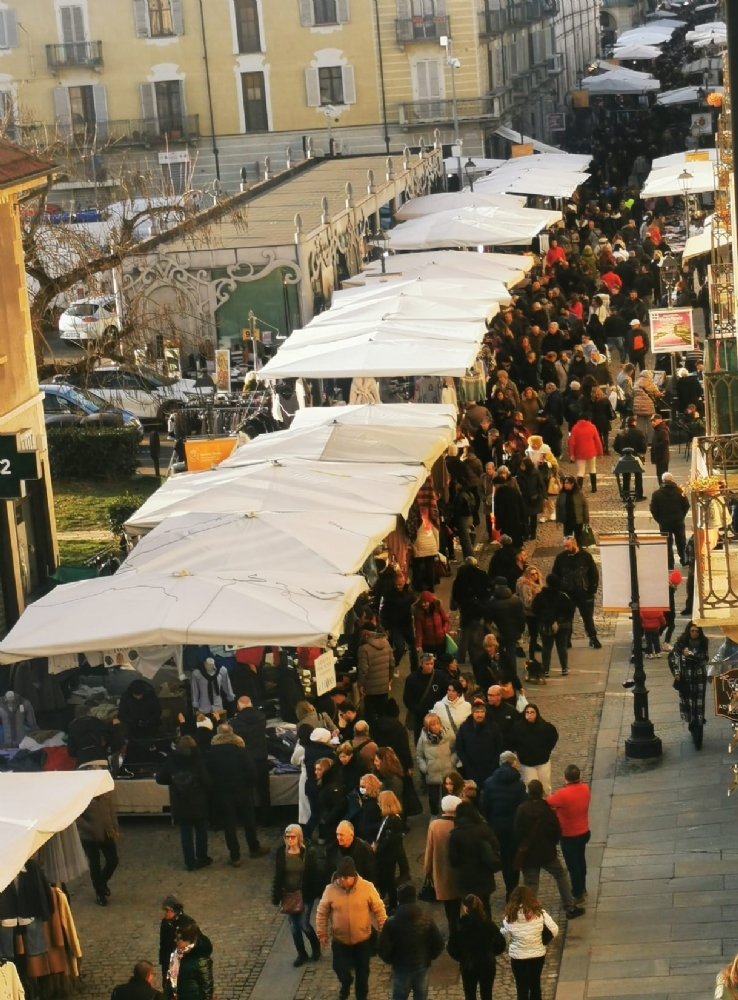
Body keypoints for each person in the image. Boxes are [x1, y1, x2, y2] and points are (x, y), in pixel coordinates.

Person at [316, 856, 387, 1000]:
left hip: (362, 940)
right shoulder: (330, 890)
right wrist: (321, 933)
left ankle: (361, 996)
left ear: (353, 875)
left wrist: (383, 929)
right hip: (340, 940)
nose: (342, 880)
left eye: (346, 877)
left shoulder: (367, 888)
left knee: (362, 972)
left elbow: (379, 909)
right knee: (339, 968)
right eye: (340, 876)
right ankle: (346, 982)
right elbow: (321, 912)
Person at [514, 781, 583, 920]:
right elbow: (557, 831)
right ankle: (569, 906)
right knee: (560, 875)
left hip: (529, 855)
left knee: (531, 884)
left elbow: (517, 832)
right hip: (547, 853)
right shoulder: (547, 810)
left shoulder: (521, 809)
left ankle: (530, 915)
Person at [205, 723, 269, 865]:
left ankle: (235, 856)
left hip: (223, 793)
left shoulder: (212, 752)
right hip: (243, 791)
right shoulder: (241, 750)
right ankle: (254, 847)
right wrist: (249, 786)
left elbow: (209, 773)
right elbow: (252, 772)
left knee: (229, 824)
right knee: (249, 821)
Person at [377, 883, 445, 1000]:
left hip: (401, 968)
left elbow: (382, 947)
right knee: (421, 996)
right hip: (422, 966)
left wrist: (392, 960)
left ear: (400, 900)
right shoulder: (427, 920)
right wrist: (428, 956)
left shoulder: (391, 923)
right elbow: (439, 944)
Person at [156, 736, 213, 872]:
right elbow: (207, 781)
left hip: (179, 801)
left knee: (185, 833)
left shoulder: (172, 760)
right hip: (197, 800)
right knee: (201, 831)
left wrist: (174, 782)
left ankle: (190, 863)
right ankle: (202, 857)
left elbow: (160, 778)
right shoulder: (198, 760)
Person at [272, 824, 322, 966]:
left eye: (292, 837)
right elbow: (278, 875)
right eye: (287, 837)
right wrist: (276, 895)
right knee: (294, 927)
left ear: (298, 837)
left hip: (304, 894)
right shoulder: (281, 854)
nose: (289, 840)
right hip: (288, 895)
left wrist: (316, 891)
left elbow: (315, 873)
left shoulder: (308, 852)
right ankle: (301, 953)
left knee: (304, 924)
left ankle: (315, 947)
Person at [480, 750, 526, 901]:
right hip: (515, 828)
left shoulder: (489, 783)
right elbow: (523, 807)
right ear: (514, 764)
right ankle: (513, 889)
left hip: (497, 828)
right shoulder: (519, 785)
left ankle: (509, 888)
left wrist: (491, 821)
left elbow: (484, 807)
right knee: (514, 859)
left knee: (505, 859)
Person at [501, 886, 559, 1000]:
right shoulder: (540, 913)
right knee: (535, 984)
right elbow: (554, 929)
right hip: (537, 955)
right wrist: (544, 940)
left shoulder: (510, 917)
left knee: (521, 987)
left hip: (518, 957)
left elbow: (506, 938)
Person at [447, 894, 506, 1000]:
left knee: (470, 994)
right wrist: (491, 952)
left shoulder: (460, 925)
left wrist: (461, 957)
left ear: (465, 908)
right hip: (487, 963)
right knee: (487, 994)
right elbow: (501, 943)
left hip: (469, 963)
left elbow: (451, 947)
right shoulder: (488, 924)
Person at [547, 765, 590, 906]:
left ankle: (577, 893)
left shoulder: (562, 794)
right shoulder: (585, 789)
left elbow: (548, 802)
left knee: (573, 866)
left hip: (569, 834)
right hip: (583, 831)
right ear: (579, 777)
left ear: (565, 778)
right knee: (581, 860)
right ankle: (583, 888)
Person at [448, 801, 501, 916]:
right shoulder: (483, 829)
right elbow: (496, 846)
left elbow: (453, 859)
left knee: (470, 906)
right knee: (485, 905)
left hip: (465, 878)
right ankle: (487, 926)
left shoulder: (455, 834)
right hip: (484, 874)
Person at [75, 771, 119, 906]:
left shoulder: (106, 795)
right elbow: (77, 817)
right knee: (95, 864)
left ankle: (102, 881)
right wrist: (89, 828)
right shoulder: (83, 797)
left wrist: (115, 828)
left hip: (106, 832)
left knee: (113, 860)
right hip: (89, 836)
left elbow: (111, 812)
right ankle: (99, 893)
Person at [552, 536, 602, 649]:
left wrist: (592, 590)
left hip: (584, 593)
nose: (565, 548)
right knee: (567, 618)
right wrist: (558, 591)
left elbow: (593, 574)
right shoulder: (560, 558)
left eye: (568, 546)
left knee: (588, 617)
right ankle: (567, 640)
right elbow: (555, 574)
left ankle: (593, 638)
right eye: (564, 546)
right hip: (567, 594)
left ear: (574, 544)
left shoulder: (585, 556)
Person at [423, 794, 463, 932]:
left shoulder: (435, 826)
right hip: (460, 871)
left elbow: (430, 849)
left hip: (441, 871)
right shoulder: (461, 825)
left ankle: (453, 928)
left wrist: (427, 869)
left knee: (449, 905)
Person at [230, 696, 271, 824]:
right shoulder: (261, 718)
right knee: (264, 791)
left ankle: (250, 819)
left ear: (238, 707)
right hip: (261, 757)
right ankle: (267, 819)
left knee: (247, 792)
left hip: (245, 759)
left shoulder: (234, 723)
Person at [670, 623, 709, 749]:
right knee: (687, 702)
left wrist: (690, 655)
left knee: (699, 704)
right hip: (686, 679)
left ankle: (698, 726)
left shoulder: (703, 643)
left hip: (699, 679)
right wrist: (677, 674)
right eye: (692, 631)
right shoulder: (681, 643)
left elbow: (704, 658)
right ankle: (691, 722)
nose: (694, 633)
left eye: (696, 631)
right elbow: (674, 658)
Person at [531, 575, 576, 678]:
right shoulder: (563, 596)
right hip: (562, 625)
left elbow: (535, 609)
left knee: (546, 647)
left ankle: (546, 670)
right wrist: (562, 620)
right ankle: (564, 668)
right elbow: (570, 610)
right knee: (562, 647)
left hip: (545, 625)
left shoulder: (541, 596)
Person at [373, 791, 410, 912]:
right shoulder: (391, 818)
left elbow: (387, 840)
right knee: (388, 879)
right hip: (389, 854)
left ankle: (393, 904)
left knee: (388, 880)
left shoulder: (392, 820)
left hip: (388, 856)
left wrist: (376, 848)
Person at [403, 652, 450, 744]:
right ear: (421, 664)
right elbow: (407, 699)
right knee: (420, 740)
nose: (429, 666)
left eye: (431, 664)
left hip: (437, 715)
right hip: (420, 717)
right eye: (427, 664)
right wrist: (418, 710)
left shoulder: (440, 676)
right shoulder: (412, 679)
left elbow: (445, 694)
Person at [415, 713, 457, 816]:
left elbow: (456, 750)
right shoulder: (423, 739)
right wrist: (425, 769)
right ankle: (434, 816)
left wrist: (451, 762)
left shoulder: (449, 735)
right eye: (433, 725)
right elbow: (419, 756)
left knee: (448, 797)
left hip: (447, 772)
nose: (436, 726)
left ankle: (448, 815)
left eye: (437, 723)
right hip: (432, 773)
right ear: (428, 727)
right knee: (433, 799)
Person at [455, 697, 503, 786]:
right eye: (477, 712)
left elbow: (499, 746)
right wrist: (467, 765)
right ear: (472, 713)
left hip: (490, 769)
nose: (480, 715)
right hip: (471, 770)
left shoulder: (493, 726)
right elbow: (460, 748)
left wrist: (494, 764)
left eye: (482, 712)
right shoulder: (465, 727)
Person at [511, 705, 558, 795]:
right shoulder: (518, 728)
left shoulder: (545, 727)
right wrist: (521, 753)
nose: (530, 715)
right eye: (527, 712)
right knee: (531, 785)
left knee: (545, 785)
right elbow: (513, 741)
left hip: (543, 762)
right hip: (527, 763)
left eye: (532, 712)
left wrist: (547, 750)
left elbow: (553, 737)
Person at [381, 571, 419, 674]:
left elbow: (414, 601)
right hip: (395, 625)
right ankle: (394, 665)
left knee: (414, 649)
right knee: (400, 648)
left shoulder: (409, 591)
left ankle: (415, 671)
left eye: (400, 584)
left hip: (407, 623)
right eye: (396, 584)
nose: (398, 587)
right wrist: (386, 627)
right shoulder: (390, 595)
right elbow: (384, 612)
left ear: (404, 582)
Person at [649, 472, 689, 568]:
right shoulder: (679, 491)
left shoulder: (657, 494)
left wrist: (659, 519)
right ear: (672, 480)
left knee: (667, 543)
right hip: (678, 520)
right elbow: (686, 505)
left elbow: (653, 509)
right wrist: (681, 515)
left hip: (664, 522)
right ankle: (683, 559)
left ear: (663, 481)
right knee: (681, 541)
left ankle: (670, 563)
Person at [357, 625, 394, 727]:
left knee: (370, 717)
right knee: (383, 714)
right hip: (383, 686)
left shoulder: (363, 649)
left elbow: (364, 669)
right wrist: (389, 679)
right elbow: (392, 664)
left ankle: (373, 737)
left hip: (370, 688)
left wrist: (361, 684)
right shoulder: (386, 644)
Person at [326, 820, 377, 884]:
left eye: (341, 835)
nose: (338, 838)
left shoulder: (365, 850)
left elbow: (371, 876)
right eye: (337, 834)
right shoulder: (332, 849)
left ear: (351, 835)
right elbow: (327, 875)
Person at [372, 699, 413, 777]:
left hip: (382, 760)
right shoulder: (400, 728)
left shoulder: (376, 725)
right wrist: (409, 765)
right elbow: (405, 747)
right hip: (399, 761)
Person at [159, 897, 193, 987]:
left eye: (167, 910)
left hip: (182, 961)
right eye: (164, 910)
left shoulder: (187, 922)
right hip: (168, 961)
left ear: (175, 911)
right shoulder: (165, 923)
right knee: (168, 987)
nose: (165, 913)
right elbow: (163, 942)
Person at [315, 757, 347, 844]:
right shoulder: (326, 784)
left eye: (319, 769)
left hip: (332, 825)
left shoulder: (332, 786)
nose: (316, 772)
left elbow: (339, 805)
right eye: (316, 769)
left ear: (326, 770)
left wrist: (327, 818)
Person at [568, 415, 603, 493]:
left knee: (580, 471)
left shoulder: (575, 428)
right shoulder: (592, 427)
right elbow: (597, 440)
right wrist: (600, 452)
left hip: (580, 452)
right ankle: (594, 488)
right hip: (591, 451)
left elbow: (571, 442)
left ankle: (579, 488)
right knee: (592, 468)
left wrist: (571, 454)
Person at [613, 418, 647, 500]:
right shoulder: (639, 433)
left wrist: (622, 452)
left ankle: (626, 495)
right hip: (636, 456)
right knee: (638, 475)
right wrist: (640, 452)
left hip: (624, 457)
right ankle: (639, 495)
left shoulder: (621, 433)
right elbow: (643, 447)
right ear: (634, 423)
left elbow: (615, 446)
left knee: (626, 476)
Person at [516, 566, 543, 664]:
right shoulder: (526, 586)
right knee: (533, 635)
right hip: (530, 614)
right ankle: (531, 657)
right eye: (532, 574)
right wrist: (539, 603)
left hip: (536, 613)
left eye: (536, 573)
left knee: (535, 635)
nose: (535, 576)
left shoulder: (536, 583)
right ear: (527, 575)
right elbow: (527, 602)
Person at [414, 592, 450, 659]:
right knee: (430, 662)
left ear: (430, 602)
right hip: (428, 644)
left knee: (441, 661)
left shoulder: (438, 608)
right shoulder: (419, 613)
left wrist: (444, 630)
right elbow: (419, 630)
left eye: (425, 602)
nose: (423, 604)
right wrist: (419, 644)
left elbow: (446, 621)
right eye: (422, 602)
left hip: (441, 641)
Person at [555, 476, 589, 546]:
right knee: (567, 538)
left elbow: (585, 506)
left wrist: (586, 520)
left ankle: (579, 552)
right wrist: (558, 520)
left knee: (578, 539)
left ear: (572, 484)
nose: (565, 484)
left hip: (577, 520)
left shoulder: (579, 493)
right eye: (564, 483)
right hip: (567, 521)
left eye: (567, 483)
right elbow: (558, 507)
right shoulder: (562, 494)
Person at [650, 413, 671, 483]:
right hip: (659, 457)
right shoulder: (657, 429)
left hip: (662, 457)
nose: (652, 422)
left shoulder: (662, 430)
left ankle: (663, 490)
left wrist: (656, 446)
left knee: (662, 475)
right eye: (652, 421)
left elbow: (665, 442)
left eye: (654, 420)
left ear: (659, 420)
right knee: (660, 475)